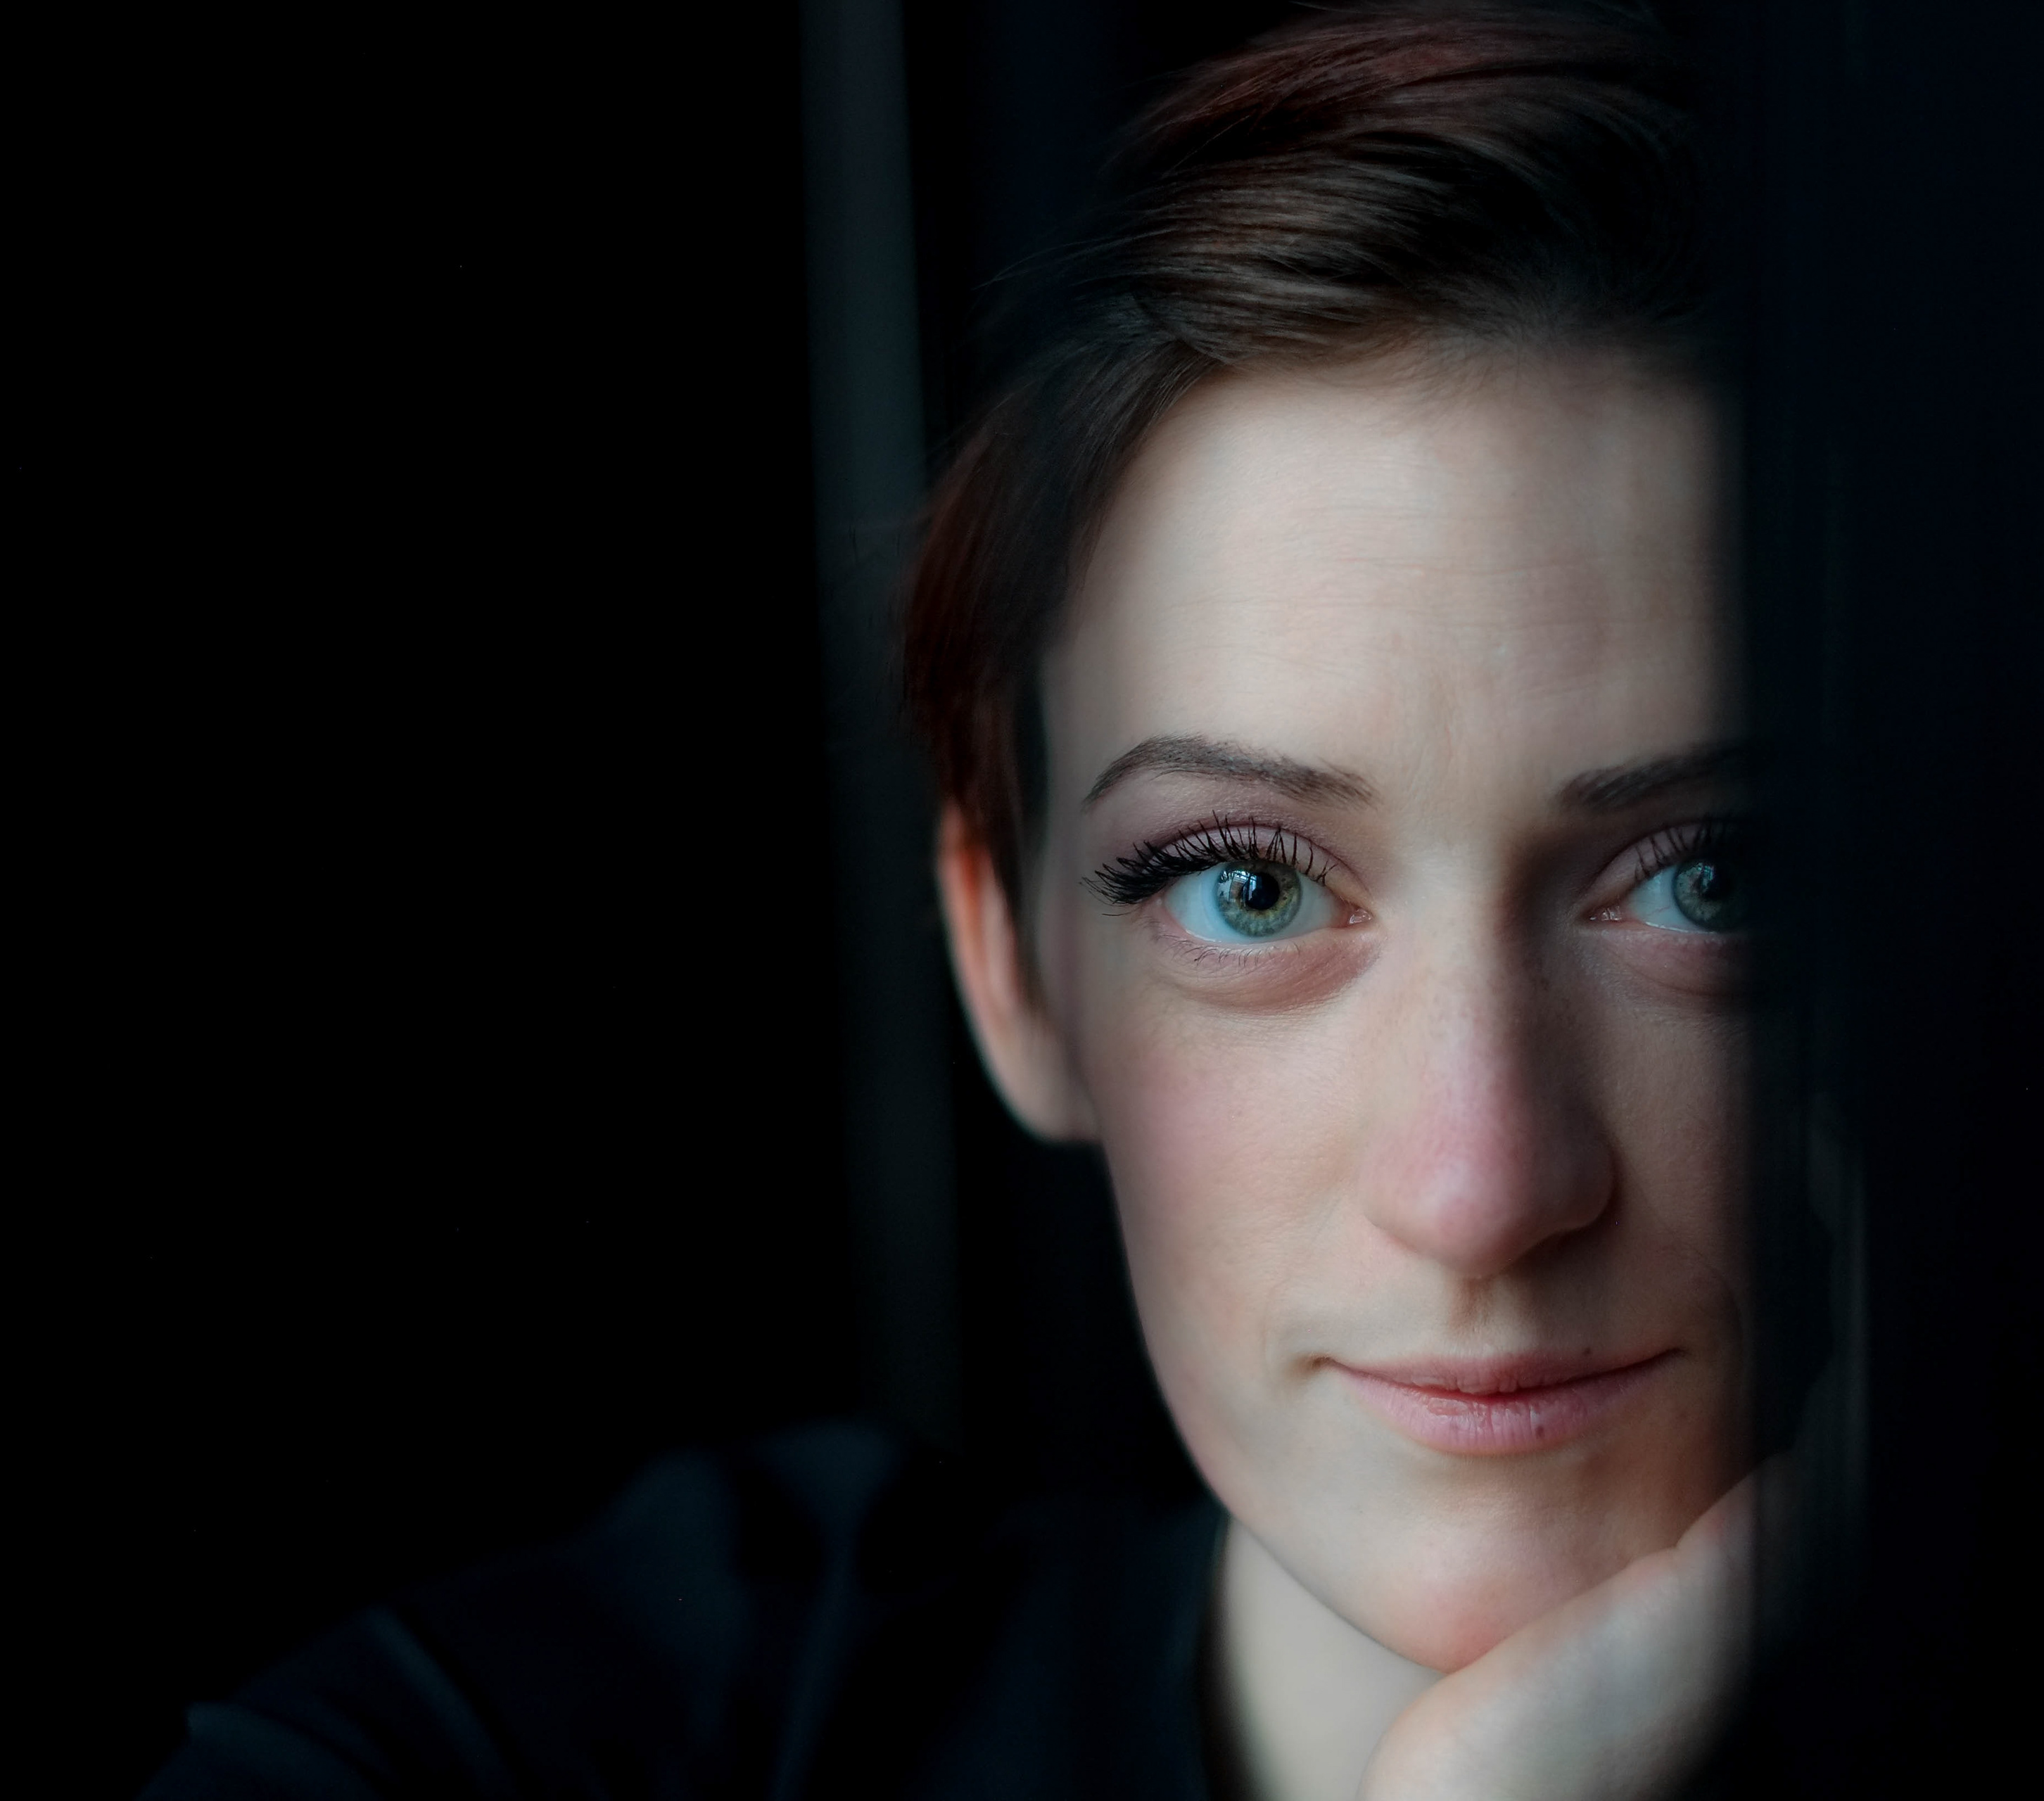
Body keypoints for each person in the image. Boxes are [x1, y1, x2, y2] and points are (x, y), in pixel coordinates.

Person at [144, 6, 1762, 1797]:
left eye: (1718, 878)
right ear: (1011, 966)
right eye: (1247, 887)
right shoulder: (521, 1751)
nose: (1482, 1189)